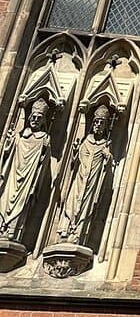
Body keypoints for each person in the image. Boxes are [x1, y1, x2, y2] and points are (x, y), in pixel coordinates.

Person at [56, 105, 114, 246]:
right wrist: (75, 152)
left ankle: (78, 233)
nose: (98, 125)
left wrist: (108, 157)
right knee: (72, 201)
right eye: (96, 121)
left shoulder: (104, 145)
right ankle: (66, 230)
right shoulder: (85, 141)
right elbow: (74, 164)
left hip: (92, 182)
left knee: (86, 206)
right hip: (79, 179)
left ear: (106, 125)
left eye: (101, 122)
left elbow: (106, 169)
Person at [0, 98, 52, 242]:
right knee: (5, 198)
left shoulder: (43, 139)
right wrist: (10, 141)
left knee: (23, 201)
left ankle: (13, 231)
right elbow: (6, 153)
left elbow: (43, 165)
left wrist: (46, 150)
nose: (35, 120)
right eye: (33, 117)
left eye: (39, 118)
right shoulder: (19, 136)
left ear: (43, 120)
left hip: (28, 180)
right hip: (12, 176)